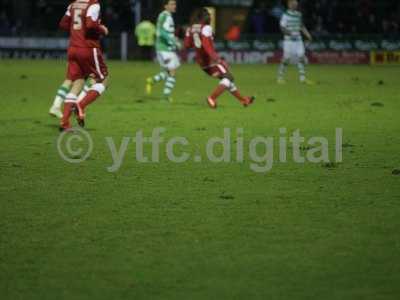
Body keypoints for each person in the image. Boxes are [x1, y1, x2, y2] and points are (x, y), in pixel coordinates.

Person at [184, 8, 254, 109]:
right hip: (210, 60)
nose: (210, 17)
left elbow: (186, 45)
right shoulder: (206, 28)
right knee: (228, 77)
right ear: (204, 17)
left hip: (202, 63)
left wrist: (196, 44)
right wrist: (218, 60)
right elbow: (207, 46)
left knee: (227, 80)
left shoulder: (190, 29)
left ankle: (243, 100)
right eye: (209, 15)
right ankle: (211, 98)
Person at [58, 0, 109, 131]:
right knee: (103, 79)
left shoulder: (73, 4)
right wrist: (101, 28)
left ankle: (64, 123)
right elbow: (91, 24)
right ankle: (81, 105)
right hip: (88, 48)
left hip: (73, 48)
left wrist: (77, 31)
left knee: (77, 83)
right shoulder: (93, 4)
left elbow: (63, 24)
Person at [146, 0, 181, 103]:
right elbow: (160, 31)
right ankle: (165, 97)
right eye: (172, 4)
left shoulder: (169, 16)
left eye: (175, 4)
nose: (174, 6)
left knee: (169, 71)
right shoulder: (163, 16)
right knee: (172, 71)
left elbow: (167, 32)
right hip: (163, 49)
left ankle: (152, 80)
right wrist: (173, 41)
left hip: (168, 49)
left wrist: (174, 40)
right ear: (165, 6)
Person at [277, 0, 314, 84]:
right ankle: (280, 77)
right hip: (288, 40)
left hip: (298, 40)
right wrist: (289, 33)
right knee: (286, 58)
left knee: (301, 56)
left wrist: (308, 35)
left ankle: (302, 78)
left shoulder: (298, 14)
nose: (295, 5)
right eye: (293, 4)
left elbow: (301, 26)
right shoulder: (285, 15)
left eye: (296, 4)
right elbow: (282, 27)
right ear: (289, 5)